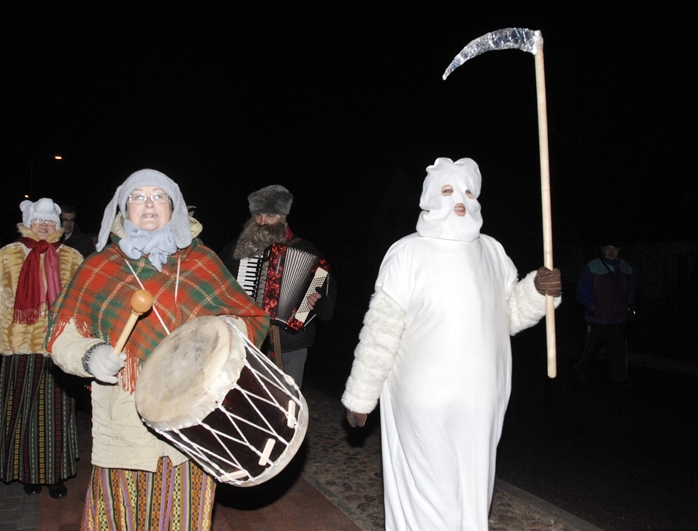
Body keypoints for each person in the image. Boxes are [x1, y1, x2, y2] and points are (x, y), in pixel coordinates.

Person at [341, 158, 562, 531]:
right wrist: (362, 397)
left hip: (481, 401)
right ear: (429, 198)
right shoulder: (407, 253)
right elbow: (381, 331)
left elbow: (506, 316)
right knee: (429, 494)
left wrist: (537, 292)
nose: (459, 198)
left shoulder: (492, 251)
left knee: (473, 493)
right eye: (448, 190)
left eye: (467, 191)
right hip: (423, 400)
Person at [45, 169, 269, 530]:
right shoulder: (98, 267)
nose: (148, 204)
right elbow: (61, 338)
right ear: (123, 210)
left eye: (158, 196)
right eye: (138, 197)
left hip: (193, 428)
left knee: (184, 519)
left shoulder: (203, 261)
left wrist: (224, 333)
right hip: (125, 428)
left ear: (175, 207)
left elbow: (246, 319)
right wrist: (90, 356)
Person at [0, 198, 83, 499]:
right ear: (28, 223)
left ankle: (55, 475)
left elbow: (84, 306)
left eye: (50, 222)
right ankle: (28, 473)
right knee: (20, 415)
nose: (45, 226)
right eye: (39, 222)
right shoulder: (6, 255)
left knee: (56, 417)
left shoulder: (73, 257)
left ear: (58, 226)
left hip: (58, 350)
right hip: (18, 349)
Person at [220, 184, 336, 388]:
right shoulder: (236, 249)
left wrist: (317, 303)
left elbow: (326, 295)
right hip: (246, 338)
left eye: (270, 215)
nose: (262, 222)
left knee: (287, 405)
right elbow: (218, 285)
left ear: (283, 217)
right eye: (258, 215)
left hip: (291, 344)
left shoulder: (305, 249)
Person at [574, 242, 638, 386]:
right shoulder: (592, 266)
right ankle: (580, 370)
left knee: (619, 351)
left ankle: (620, 378)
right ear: (602, 249)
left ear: (619, 249)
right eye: (608, 248)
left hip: (618, 318)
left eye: (614, 248)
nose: (611, 251)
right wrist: (593, 307)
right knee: (590, 349)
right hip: (597, 318)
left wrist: (628, 305)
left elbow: (633, 288)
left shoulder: (626, 267)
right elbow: (581, 291)